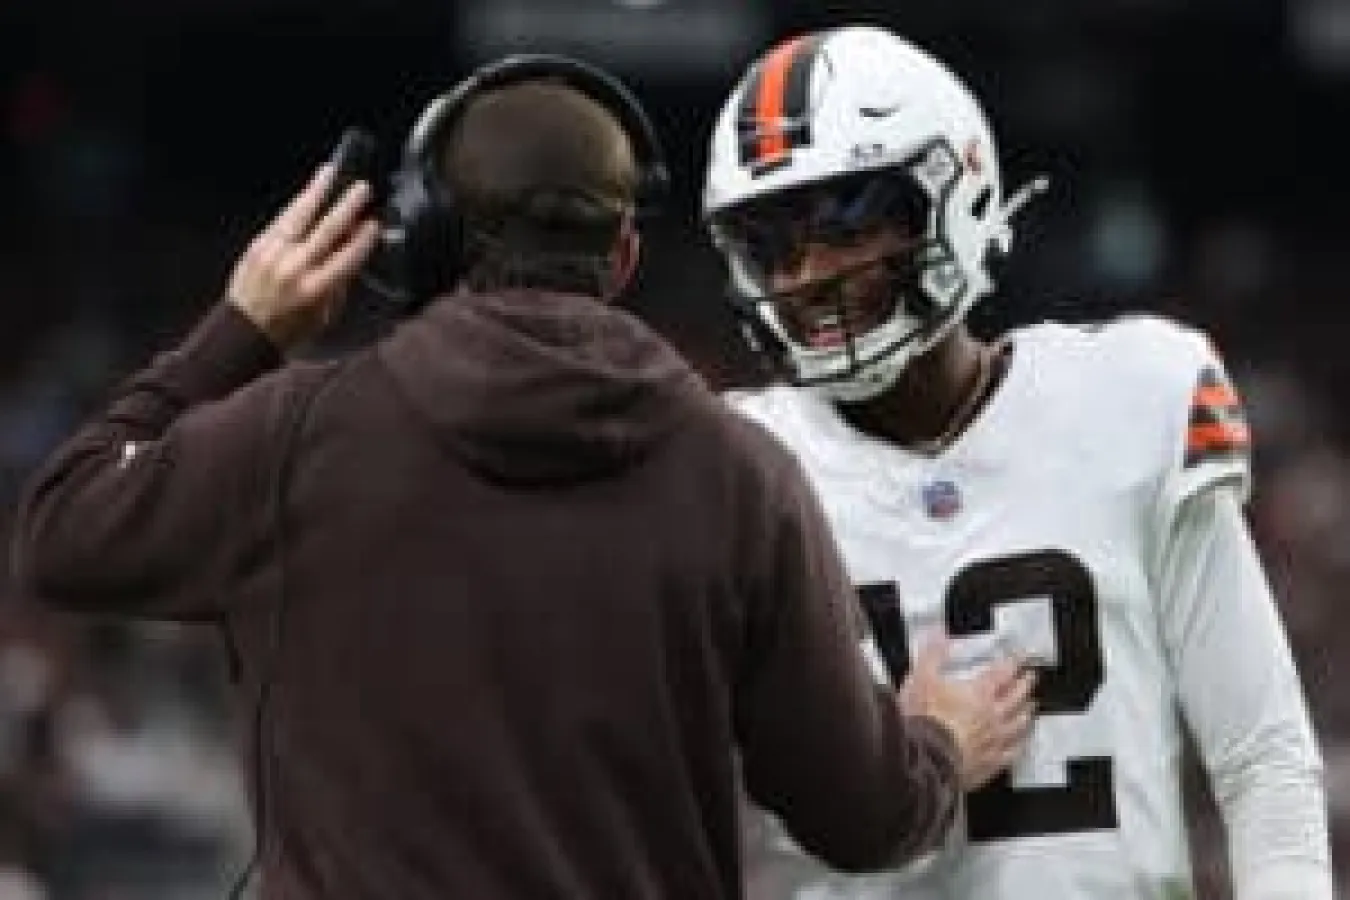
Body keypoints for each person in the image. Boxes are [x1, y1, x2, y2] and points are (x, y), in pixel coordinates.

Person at [9, 56, 1036, 899]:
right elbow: (863, 819)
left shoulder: (293, 434)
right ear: (624, 253)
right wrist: (937, 743)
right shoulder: (741, 475)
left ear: (429, 237)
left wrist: (240, 333)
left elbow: (62, 534)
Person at [703, 24, 1334, 900]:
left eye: (844, 224)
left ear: (951, 193)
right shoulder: (731, 462)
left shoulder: (1132, 397)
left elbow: (1261, 756)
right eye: (774, 244)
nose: (809, 274)